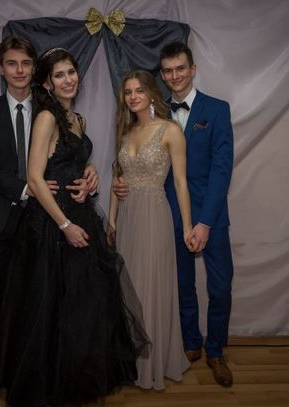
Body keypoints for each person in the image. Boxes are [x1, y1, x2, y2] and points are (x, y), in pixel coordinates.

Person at [0, 48, 149, 407]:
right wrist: (64, 225)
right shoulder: (47, 117)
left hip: (80, 215)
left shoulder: (77, 118)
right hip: (52, 224)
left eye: (71, 72)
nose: (68, 80)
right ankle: (49, 384)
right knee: (51, 307)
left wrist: (89, 176)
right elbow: (34, 177)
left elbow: (73, 161)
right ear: (48, 82)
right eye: (59, 75)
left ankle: (76, 377)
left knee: (83, 308)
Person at [0, 36, 97, 387]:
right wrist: (28, 188)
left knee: (36, 294)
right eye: (12, 63)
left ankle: (28, 361)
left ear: (35, 70)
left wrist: (89, 171)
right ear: (2, 69)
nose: (19, 70)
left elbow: (67, 154)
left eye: (26, 63)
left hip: (43, 221)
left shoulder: (50, 109)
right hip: (1, 217)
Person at [113, 42, 235, 387]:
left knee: (220, 287)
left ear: (192, 69)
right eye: (167, 71)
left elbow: (222, 170)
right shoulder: (154, 112)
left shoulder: (217, 109)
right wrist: (123, 185)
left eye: (180, 68)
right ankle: (189, 343)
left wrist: (204, 222)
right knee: (180, 287)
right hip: (165, 216)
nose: (174, 75)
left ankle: (216, 351)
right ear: (162, 76)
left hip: (210, 215)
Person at [107, 70, 195, 390]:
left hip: (154, 215)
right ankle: (129, 363)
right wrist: (111, 220)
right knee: (127, 288)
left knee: (149, 285)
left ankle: (151, 365)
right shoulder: (126, 132)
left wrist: (187, 227)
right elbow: (117, 180)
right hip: (127, 216)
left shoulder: (170, 131)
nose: (133, 97)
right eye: (127, 92)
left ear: (151, 93)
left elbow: (181, 183)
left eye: (138, 90)